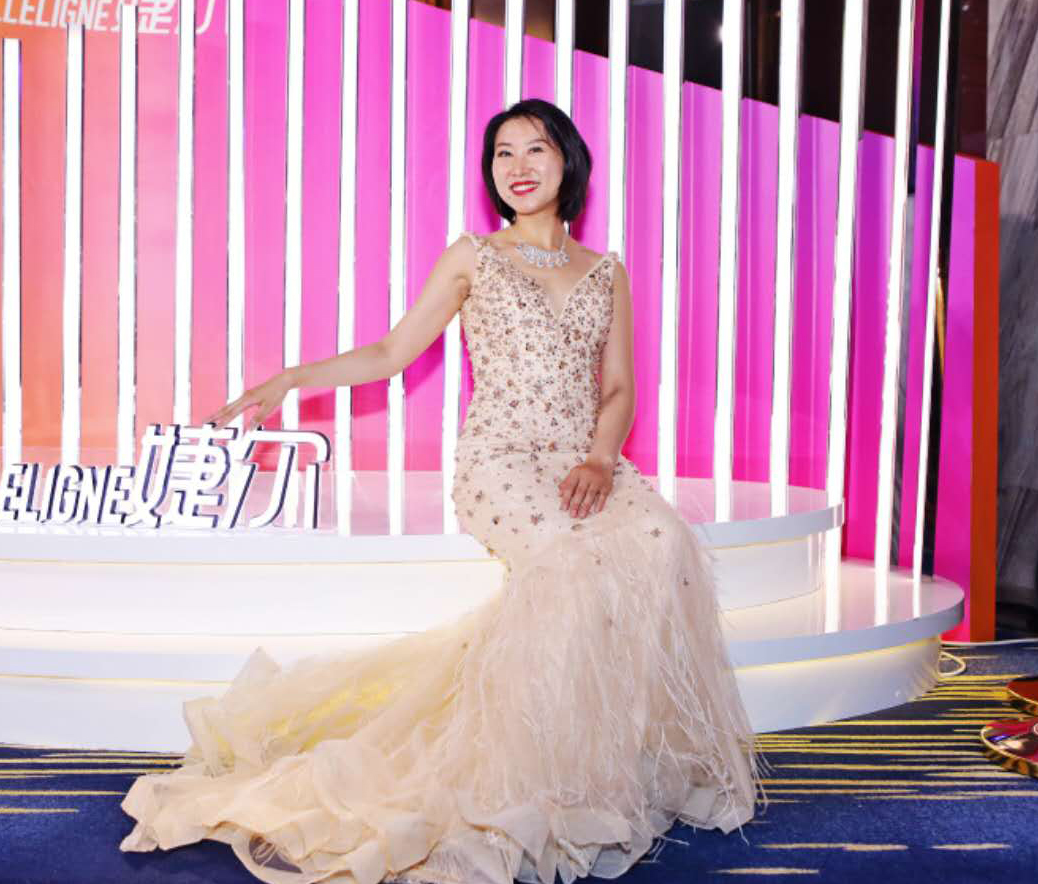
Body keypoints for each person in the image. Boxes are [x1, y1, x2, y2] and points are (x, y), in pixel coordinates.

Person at [120, 98, 760, 884]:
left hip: (584, 459)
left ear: (568, 160)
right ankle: (538, 773)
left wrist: (600, 459)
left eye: (535, 149)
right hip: (500, 460)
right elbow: (391, 351)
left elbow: (620, 386)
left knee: (663, 541)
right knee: (571, 562)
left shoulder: (607, 271)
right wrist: (294, 377)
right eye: (502, 153)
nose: (517, 166)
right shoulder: (472, 257)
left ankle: (619, 759)